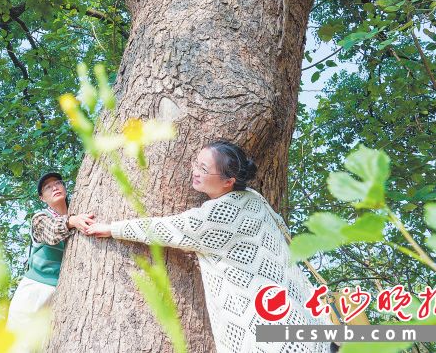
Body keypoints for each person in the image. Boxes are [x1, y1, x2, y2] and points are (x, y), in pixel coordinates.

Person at [85, 140, 335, 353]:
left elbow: (167, 228)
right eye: (196, 163)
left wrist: (111, 228)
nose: (194, 171)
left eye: (204, 169)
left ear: (228, 181)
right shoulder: (253, 198)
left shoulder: (220, 213)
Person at [6, 172, 95, 350]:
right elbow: (52, 232)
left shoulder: (78, 212)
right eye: (48, 187)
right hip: (35, 289)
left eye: (58, 183)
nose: (55, 187)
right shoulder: (40, 218)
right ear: (42, 197)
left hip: (60, 293)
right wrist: (72, 221)